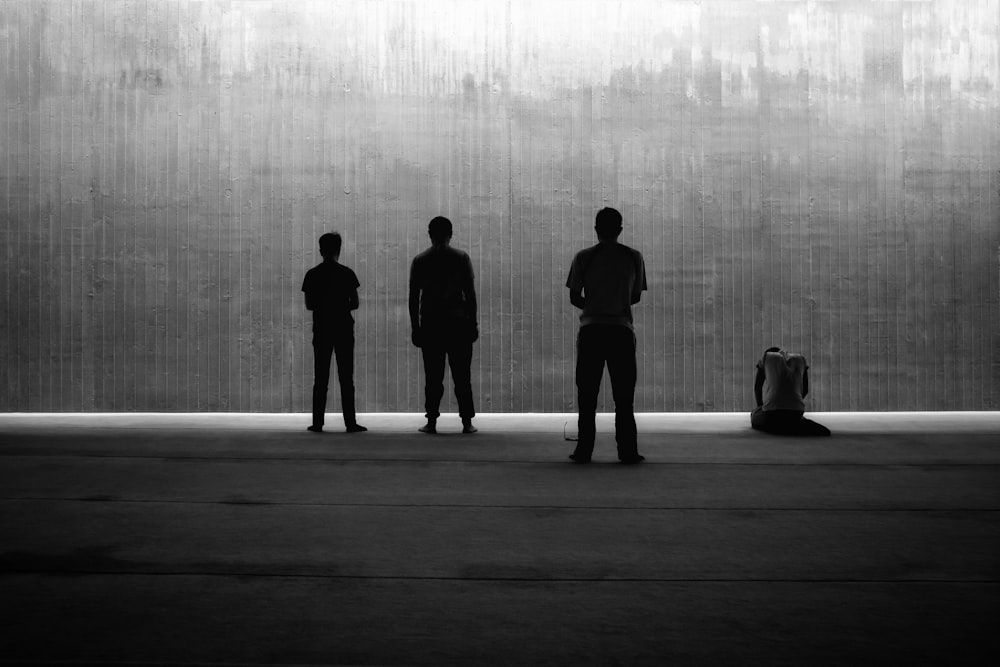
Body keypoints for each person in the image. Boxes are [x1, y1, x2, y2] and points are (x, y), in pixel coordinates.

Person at [566, 207, 648, 463]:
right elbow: (635, 296)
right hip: (621, 331)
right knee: (624, 396)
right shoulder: (633, 257)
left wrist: (593, 307)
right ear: (620, 230)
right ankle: (627, 451)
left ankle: (584, 450)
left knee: (587, 394)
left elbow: (573, 296)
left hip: (591, 330)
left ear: (596, 229)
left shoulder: (583, 257)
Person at [409, 216, 479, 434]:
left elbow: (413, 298)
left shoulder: (420, 260)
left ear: (429, 234)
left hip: (431, 325)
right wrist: (473, 323)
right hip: (458, 324)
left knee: (433, 377)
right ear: (451, 233)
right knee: (462, 376)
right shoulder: (461, 258)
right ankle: (466, 422)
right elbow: (470, 294)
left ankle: (432, 421)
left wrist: (415, 328)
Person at [302, 232, 367, 433]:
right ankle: (350, 422)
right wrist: (341, 305)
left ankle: (318, 423)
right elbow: (355, 303)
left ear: (320, 250)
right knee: (346, 377)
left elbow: (309, 305)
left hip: (322, 329)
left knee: (320, 377)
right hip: (344, 329)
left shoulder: (312, 275)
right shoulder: (347, 274)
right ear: (339, 250)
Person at [751, 347, 831, 436]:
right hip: (796, 412)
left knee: (754, 415)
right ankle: (796, 422)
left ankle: (780, 426)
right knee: (794, 419)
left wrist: (760, 407)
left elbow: (757, 387)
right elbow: (805, 390)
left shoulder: (766, 358)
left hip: (772, 414)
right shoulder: (801, 359)